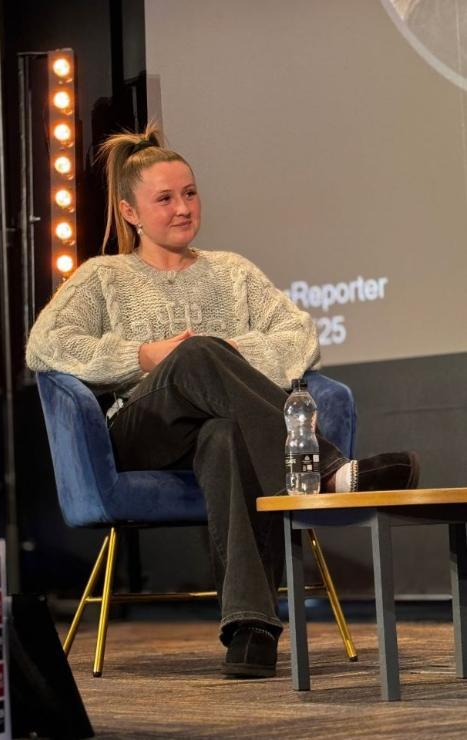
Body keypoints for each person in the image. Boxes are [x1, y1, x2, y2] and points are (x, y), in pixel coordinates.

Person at [26, 125, 419, 678]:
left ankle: (250, 629)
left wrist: (230, 352)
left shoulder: (232, 271)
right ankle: (322, 468)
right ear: (130, 211)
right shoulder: (104, 277)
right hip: (141, 431)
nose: (183, 208)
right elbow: (46, 345)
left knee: (222, 433)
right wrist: (143, 355)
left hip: (219, 436)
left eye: (190, 193)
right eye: (165, 198)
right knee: (194, 356)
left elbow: (300, 336)